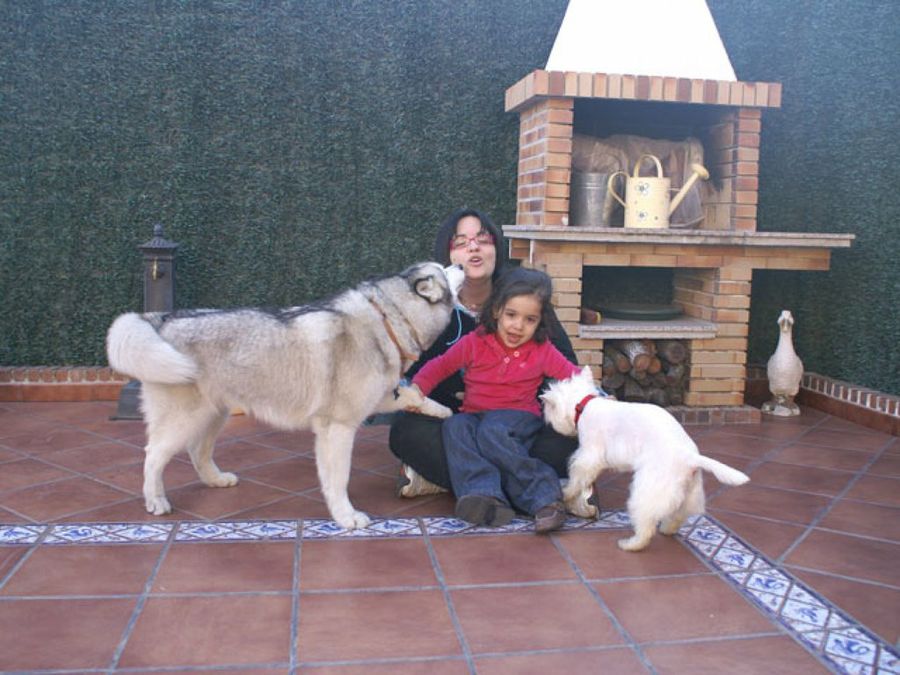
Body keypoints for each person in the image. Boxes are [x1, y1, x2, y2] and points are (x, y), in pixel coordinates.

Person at [389, 207, 579, 499]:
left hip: (518, 425)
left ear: (495, 249)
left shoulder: (525, 296)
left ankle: (460, 482)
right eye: (462, 242)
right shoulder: (430, 307)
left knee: (568, 439)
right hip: (459, 424)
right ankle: (533, 486)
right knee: (406, 432)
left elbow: (565, 367)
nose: (474, 247)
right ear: (449, 255)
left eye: (482, 239)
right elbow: (419, 374)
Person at [408, 267, 582, 532]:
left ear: (540, 322)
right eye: (511, 315)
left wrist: (598, 398)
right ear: (496, 310)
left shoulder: (542, 350)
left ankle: (545, 497)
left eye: (529, 319)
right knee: (454, 427)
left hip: (519, 417)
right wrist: (417, 389)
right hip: (475, 414)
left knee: (493, 430)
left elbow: (574, 377)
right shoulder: (475, 342)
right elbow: (441, 366)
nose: (518, 326)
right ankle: (485, 495)